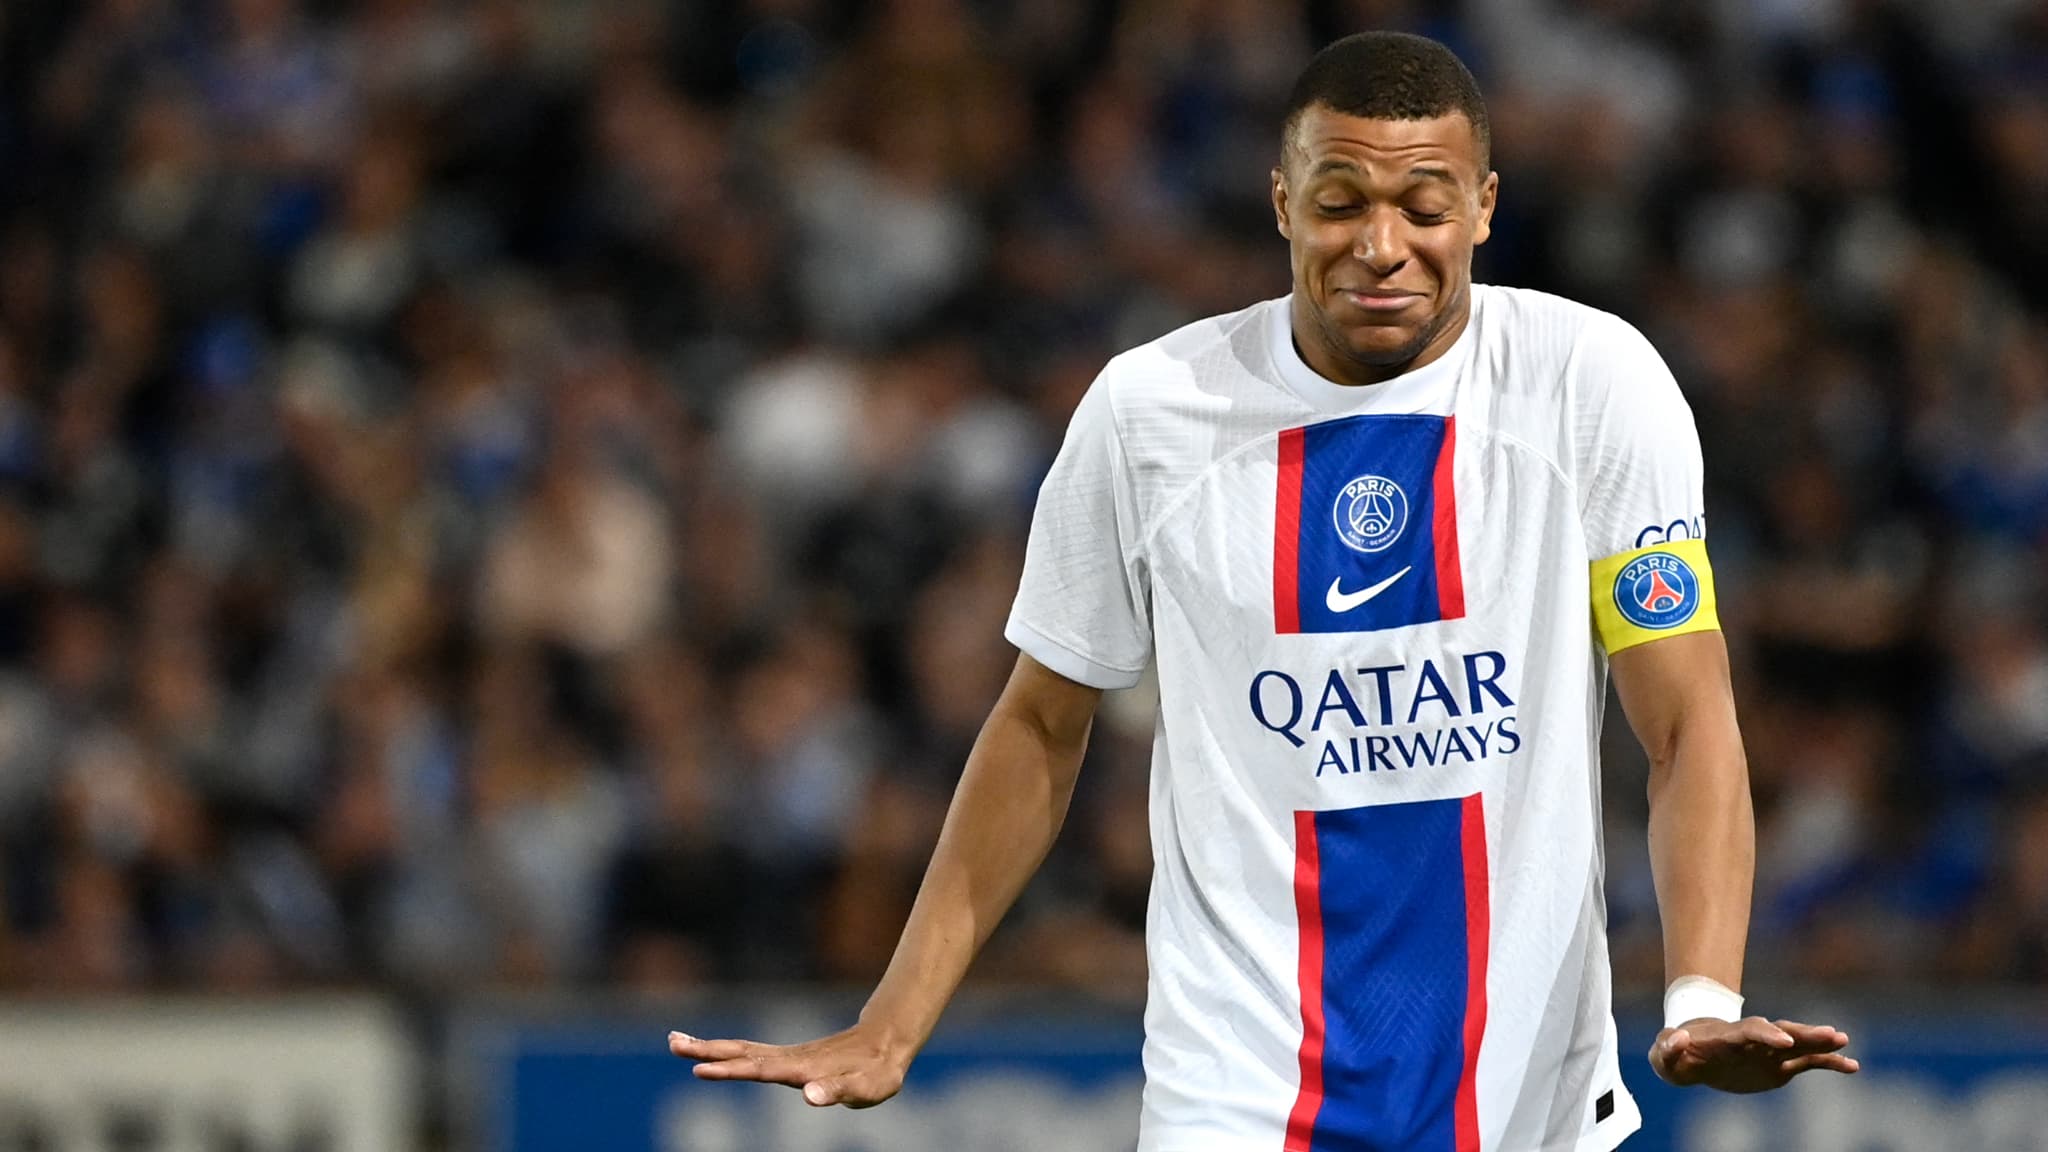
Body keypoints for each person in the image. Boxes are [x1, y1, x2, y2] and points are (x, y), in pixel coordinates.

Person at [670, 31, 1859, 1150]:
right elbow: (1038, 724)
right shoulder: (1150, 416)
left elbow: (1685, 720)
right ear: (1283, 202)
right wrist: (894, 1021)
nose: (1380, 243)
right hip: (1237, 1096)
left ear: (1483, 209)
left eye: (1423, 205)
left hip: (1524, 1106)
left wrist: (1702, 992)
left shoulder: (1592, 386)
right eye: (1340, 201)